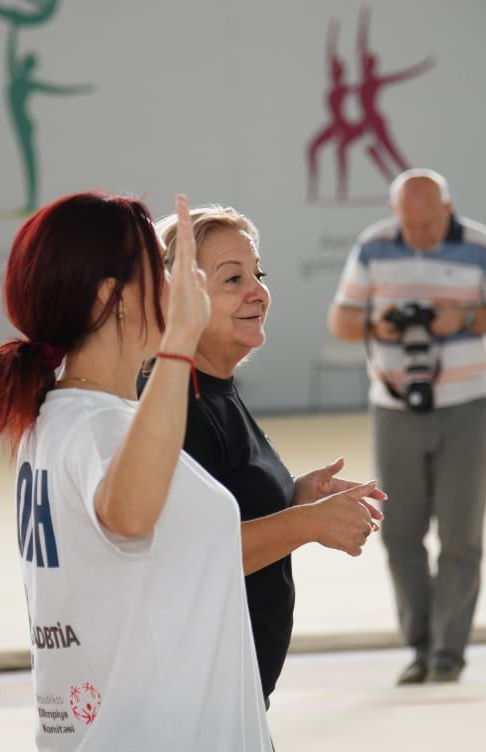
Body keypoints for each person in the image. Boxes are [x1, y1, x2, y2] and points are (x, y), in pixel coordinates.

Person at [0, 192, 271, 750]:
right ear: (113, 297)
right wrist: (179, 347)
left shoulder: (65, 414)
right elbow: (128, 514)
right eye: (161, 268)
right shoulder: (94, 424)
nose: (180, 285)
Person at [153, 205, 387, 706]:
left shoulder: (214, 389)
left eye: (257, 273)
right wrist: (307, 523)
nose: (257, 291)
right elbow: (189, 557)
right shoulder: (177, 403)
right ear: (178, 299)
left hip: (227, 701)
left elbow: (226, 510)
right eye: (232, 279)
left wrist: (297, 498)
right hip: (197, 705)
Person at [327, 169, 486, 684]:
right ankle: (420, 646)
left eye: (428, 223)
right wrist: (376, 325)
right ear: (396, 214)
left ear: (448, 208)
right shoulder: (373, 246)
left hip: (467, 406)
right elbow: (341, 321)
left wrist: (462, 318)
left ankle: (448, 653)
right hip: (394, 409)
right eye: (409, 224)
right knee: (398, 533)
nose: (418, 235)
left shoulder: (481, 244)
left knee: (462, 536)